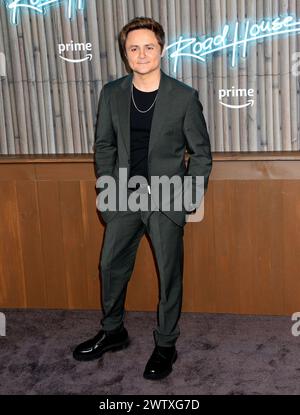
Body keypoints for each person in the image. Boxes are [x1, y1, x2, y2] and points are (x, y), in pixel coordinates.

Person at [73, 16, 212, 380]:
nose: (142, 53)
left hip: (167, 200)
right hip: (122, 196)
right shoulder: (112, 93)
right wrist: (106, 188)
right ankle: (113, 331)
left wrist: (187, 198)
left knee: (169, 275)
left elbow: (201, 154)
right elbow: (103, 145)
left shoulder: (184, 97)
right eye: (134, 48)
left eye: (149, 46)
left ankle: (166, 344)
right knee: (109, 266)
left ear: (161, 50)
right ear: (126, 54)